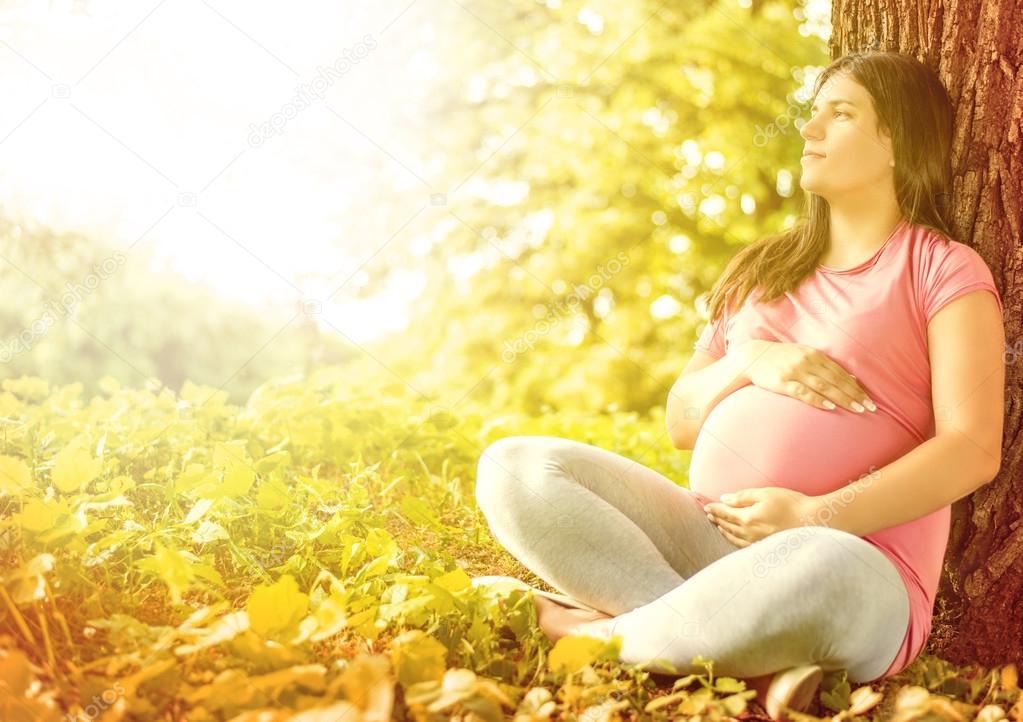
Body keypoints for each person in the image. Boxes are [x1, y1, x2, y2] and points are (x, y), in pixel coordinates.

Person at [473, 49, 1005, 713]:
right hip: (709, 538)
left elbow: (972, 447)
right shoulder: (763, 270)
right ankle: (726, 653)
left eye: (838, 116)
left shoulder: (941, 271)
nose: (808, 131)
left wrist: (815, 515)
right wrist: (749, 362)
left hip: (852, 561)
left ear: (898, 142)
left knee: (816, 566)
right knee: (515, 466)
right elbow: (680, 421)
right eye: (812, 114)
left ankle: (585, 635)